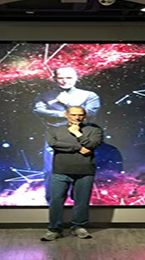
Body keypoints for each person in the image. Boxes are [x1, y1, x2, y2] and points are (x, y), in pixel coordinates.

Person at [33, 67, 101, 202]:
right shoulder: (45, 96)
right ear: (54, 78)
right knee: (51, 170)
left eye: (69, 77)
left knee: (80, 170)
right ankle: (53, 202)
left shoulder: (89, 95)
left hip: (80, 136)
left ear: (76, 78)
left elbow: (90, 114)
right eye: (61, 77)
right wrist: (65, 114)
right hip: (56, 136)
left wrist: (68, 103)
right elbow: (39, 111)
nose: (64, 81)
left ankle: (78, 202)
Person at [41, 106, 103, 241]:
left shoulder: (94, 130)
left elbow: (91, 145)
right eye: (73, 114)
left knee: (82, 201)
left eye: (80, 115)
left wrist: (77, 133)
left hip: (85, 171)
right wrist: (78, 147)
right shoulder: (54, 130)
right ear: (66, 115)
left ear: (84, 116)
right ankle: (54, 229)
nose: (77, 117)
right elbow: (53, 143)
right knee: (56, 200)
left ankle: (78, 227)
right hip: (61, 170)